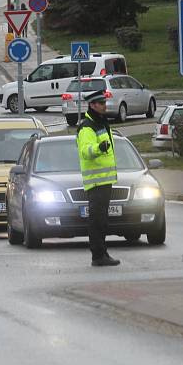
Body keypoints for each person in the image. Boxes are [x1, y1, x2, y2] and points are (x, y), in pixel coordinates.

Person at [76, 90, 120, 267]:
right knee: (97, 220)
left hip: (104, 180)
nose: (104, 105)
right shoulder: (87, 127)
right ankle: (98, 255)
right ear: (93, 105)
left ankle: (102, 252)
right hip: (96, 181)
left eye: (104, 102)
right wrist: (98, 148)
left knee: (102, 220)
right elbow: (85, 151)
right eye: (101, 103)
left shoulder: (101, 123)